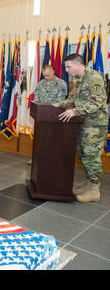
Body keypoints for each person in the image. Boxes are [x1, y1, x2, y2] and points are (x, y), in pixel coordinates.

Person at [53, 53, 107, 202]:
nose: (66, 69)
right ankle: (89, 184)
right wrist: (61, 105)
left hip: (95, 124)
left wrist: (75, 111)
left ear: (78, 65)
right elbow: (75, 99)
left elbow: (98, 102)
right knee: (83, 154)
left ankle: (94, 190)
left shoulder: (94, 78)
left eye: (68, 66)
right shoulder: (78, 79)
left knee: (91, 156)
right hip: (84, 122)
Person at [27, 65, 68, 165]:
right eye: (44, 75)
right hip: (41, 118)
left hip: (54, 119)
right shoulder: (40, 84)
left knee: (52, 142)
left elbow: (60, 101)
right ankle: (37, 159)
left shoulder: (61, 84)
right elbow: (37, 98)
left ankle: (51, 161)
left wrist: (48, 110)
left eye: (48, 75)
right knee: (39, 141)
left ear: (53, 72)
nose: (46, 78)